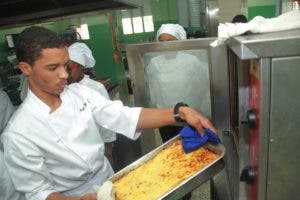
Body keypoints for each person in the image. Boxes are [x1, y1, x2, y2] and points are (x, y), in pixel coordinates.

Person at [1, 26, 216, 200]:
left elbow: (124, 115)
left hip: (109, 183)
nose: (64, 74)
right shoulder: (18, 133)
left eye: (66, 65)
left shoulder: (79, 93)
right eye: (52, 67)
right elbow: (38, 191)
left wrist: (179, 112)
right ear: (25, 68)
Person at [147, 24, 211, 143]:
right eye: (161, 42)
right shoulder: (154, 63)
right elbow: (153, 90)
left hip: (189, 116)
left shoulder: (191, 61)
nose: (166, 45)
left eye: (170, 41)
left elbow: (204, 85)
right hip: (166, 118)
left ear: (179, 41)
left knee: (193, 151)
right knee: (171, 150)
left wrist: (198, 106)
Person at [67, 42, 116, 167]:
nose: (66, 74)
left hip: (99, 140)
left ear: (80, 67)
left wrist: (108, 144)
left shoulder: (95, 88)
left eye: (69, 69)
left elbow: (108, 118)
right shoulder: (63, 89)